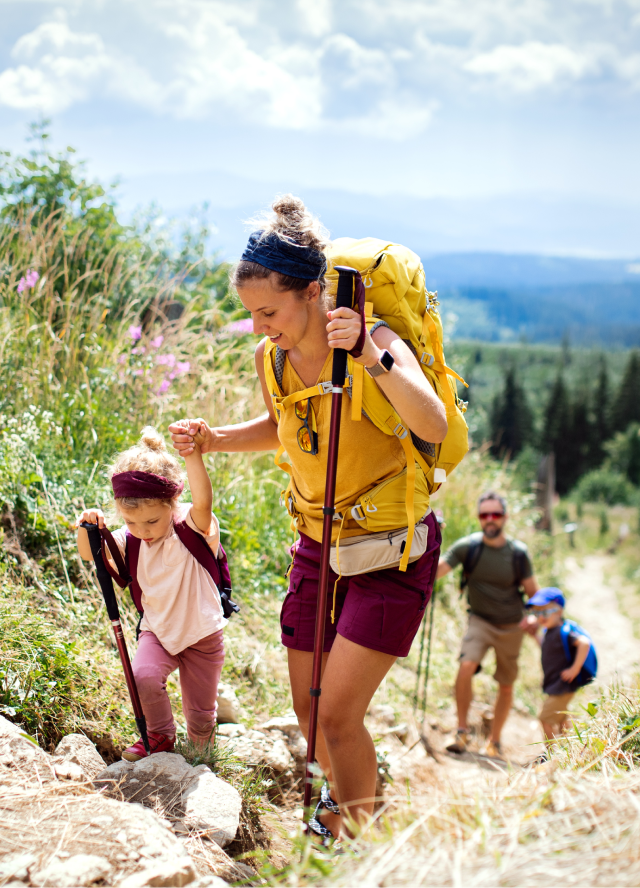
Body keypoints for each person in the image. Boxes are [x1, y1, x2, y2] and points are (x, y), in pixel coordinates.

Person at [169, 194, 447, 841]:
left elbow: (430, 420)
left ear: (314, 292)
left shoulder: (374, 340)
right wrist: (215, 439)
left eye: (269, 311)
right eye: (252, 315)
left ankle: (359, 844)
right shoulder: (273, 358)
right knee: (309, 710)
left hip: (389, 550)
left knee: (341, 716)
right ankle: (348, 811)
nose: (261, 326)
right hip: (318, 544)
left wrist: (374, 360)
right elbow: (283, 425)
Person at [76, 425, 225, 761]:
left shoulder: (191, 526)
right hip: (157, 629)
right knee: (143, 675)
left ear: (173, 503)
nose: (142, 532)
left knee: (201, 714)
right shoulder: (131, 540)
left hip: (202, 633)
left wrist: (193, 455)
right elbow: (89, 553)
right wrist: (86, 526)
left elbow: (203, 499)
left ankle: (203, 753)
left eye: (152, 522)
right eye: (131, 523)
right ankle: (160, 736)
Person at [435, 491, 539, 757]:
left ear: (505, 517)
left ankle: (495, 741)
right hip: (479, 621)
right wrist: (431, 539)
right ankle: (461, 732)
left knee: (506, 684)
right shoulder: (467, 547)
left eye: (495, 514)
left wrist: (534, 616)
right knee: (465, 665)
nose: (490, 520)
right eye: (485, 515)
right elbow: (437, 570)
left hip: (512, 626)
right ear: (479, 518)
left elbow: (534, 595)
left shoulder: (518, 553)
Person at [524, 587, 592, 746]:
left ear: (559, 611)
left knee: (545, 719)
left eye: (545, 613)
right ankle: (570, 748)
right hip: (556, 683)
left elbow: (584, 643)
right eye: (537, 613)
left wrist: (574, 669)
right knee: (561, 717)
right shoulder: (550, 631)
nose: (541, 617)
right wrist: (535, 636)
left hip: (563, 684)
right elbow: (547, 648)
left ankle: (552, 753)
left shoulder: (564, 631)